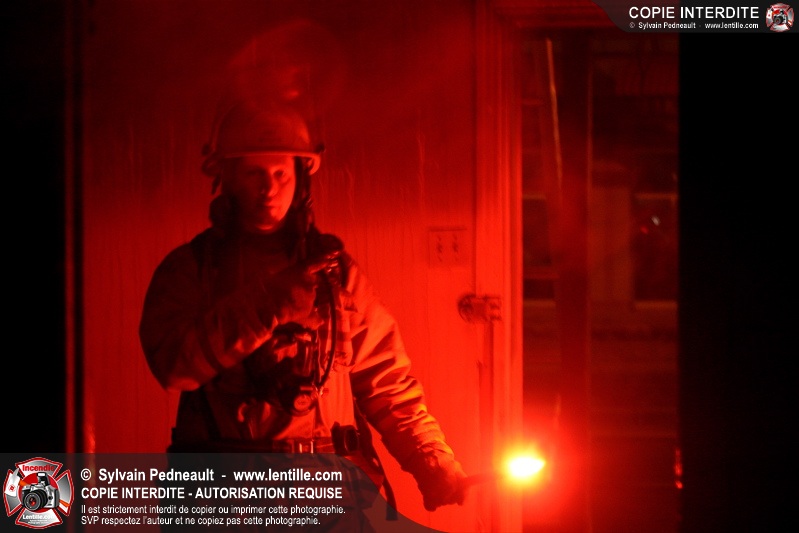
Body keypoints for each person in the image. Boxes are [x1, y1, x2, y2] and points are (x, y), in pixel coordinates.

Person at [138, 98, 468, 527]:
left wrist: (431, 461)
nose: (269, 188)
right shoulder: (192, 270)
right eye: (254, 173)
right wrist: (270, 304)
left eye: (281, 174)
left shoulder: (336, 275)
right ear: (227, 178)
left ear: (301, 178)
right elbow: (174, 366)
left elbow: (387, 383)